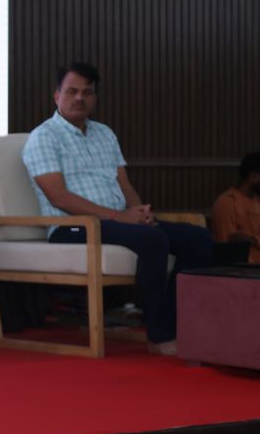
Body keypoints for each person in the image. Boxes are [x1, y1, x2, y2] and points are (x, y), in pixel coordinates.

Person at [21, 62, 213, 354]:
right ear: (56, 95)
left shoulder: (104, 133)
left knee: (197, 238)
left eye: (87, 92)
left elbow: (124, 184)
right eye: (72, 91)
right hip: (73, 227)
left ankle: (181, 325)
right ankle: (159, 335)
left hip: (117, 222)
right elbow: (59, 198)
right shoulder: (43, 137)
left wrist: (139, 213)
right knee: (152, 240)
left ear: (95, 97)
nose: (79, 98)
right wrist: (120, 217)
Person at [210, 151, 260, 263]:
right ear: (253, 176)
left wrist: (254, 240)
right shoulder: (227, 204)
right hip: (246, 270)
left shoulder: (257, 201)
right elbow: (228, 251)